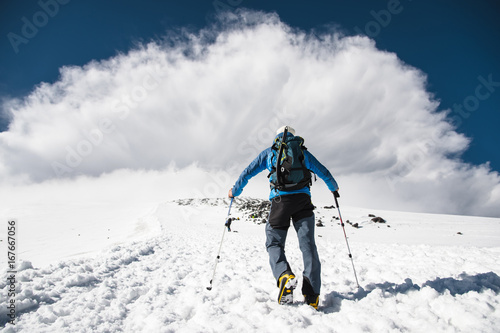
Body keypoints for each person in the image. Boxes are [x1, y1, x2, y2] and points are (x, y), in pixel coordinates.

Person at [228, 125, 339, 309]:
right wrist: (334, 188)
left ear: (277, 137)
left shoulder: (269, 153)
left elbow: (248, 172)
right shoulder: (303, 153)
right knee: (308, 245)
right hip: (303, 202)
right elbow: (324, 171)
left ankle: (284, 275)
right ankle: (312, 295)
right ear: (295, 138)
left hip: (280, 202)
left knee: (274, 242)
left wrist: (235, 191)